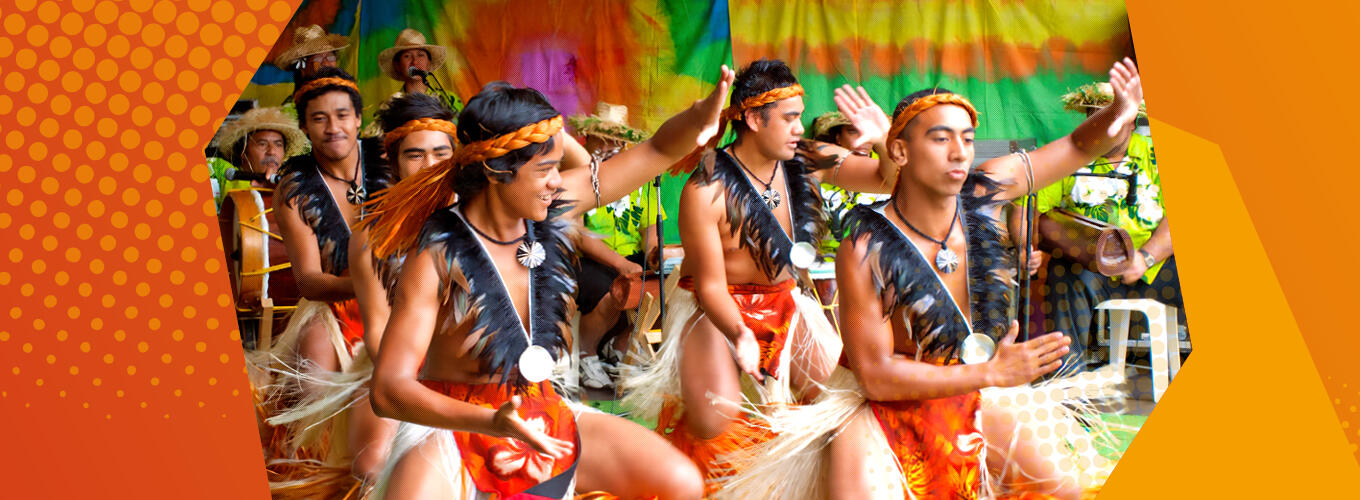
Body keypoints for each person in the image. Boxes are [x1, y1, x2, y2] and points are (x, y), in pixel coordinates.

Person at [719, 58, 1144, 499]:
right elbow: (877, 377)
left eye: (967, 138)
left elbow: (1076, 145)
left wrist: (1118, 112)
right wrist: (992, 373)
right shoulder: (863, 247)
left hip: (971, 388)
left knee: (1062, 489)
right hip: (879, 408)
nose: (960, 152)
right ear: (899, 151)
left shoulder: (983, 188)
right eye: (941, 139)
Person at [362, 69, 740, 498]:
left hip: (547, 408)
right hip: (456, 427)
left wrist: (700, 116)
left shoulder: (552, 209)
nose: (558, 180)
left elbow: (656, 148)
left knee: (681, 481)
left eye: (558, 167)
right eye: (545, 169)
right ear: (496, 170)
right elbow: (389, 390)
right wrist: (492, 422)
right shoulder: (433, 257)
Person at [620, 58, 898, 493]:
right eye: (790, 118)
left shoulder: (807, 160)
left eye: (800, 116)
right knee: (716, 422)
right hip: (713, 310)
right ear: (752, 117)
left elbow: (891, 180)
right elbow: (711, 286)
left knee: (841, 405)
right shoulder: (705, 189)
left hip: (785, 301)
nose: (800, 127)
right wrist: (740, 333)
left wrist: (883, 140)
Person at [1021, 82, 1184, 371]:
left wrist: (1145, 258)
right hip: (1092, 270)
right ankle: (1069, 382)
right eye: (1096, 119)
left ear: (1132, 120)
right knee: (1062, 270)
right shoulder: (1070, 156)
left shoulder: (1158, 155)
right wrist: (1026, 247)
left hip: (1157, 269)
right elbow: (1029, 207)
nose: (1104, 128)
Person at [568, 102, 662, 389]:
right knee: (615, 290)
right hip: (588, 258)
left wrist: (656, 253)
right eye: (604, 137)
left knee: (662, 288)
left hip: (631, 256)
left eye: (618, 140)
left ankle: (621, 350)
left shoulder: (639, 179)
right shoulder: (577, 174)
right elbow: (579, 235)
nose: (611, 145)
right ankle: (587, 353)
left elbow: (650, 232)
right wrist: (621, 264)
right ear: (588, 138)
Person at [208, 107, 308, 206]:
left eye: (278, 144)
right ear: (242, 152)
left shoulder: (293, 186)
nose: (272, 151)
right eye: (262, 144)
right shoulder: (217, 169)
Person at [273, 25, 349, 86]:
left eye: (330, 57)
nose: (325, 63)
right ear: (302, 68)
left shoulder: (344, 93)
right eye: (318, 58)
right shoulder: (298, 102)